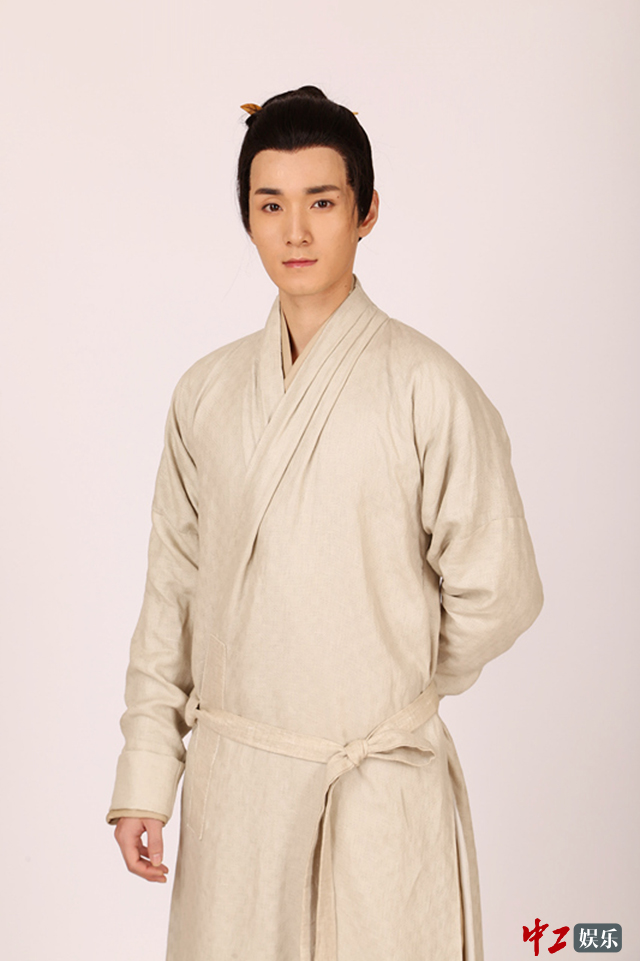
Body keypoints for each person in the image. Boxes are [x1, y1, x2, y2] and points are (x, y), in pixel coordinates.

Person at [107, 85, 543, 961]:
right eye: (271, 205)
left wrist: (392, 677)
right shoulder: (207, 393)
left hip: (374, 788)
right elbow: (173, 595)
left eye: (322, 202)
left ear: (366, 211)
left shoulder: (427, 386)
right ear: (246, 217)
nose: (296, 232)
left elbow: (500, 591)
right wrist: (148, 775)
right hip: (237, 799)